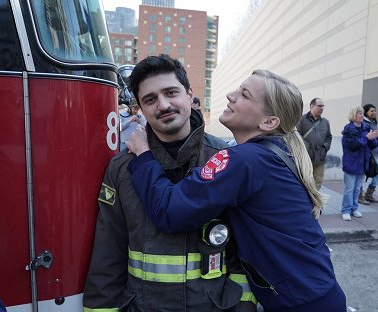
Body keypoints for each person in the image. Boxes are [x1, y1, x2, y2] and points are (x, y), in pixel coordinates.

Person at [127, 70, 346, 312]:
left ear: (269, 122)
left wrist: (144, 156)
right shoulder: (273, 153)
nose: (231, 96)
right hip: (316, 295)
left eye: (244, 94)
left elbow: (170, 210)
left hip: (300, 303)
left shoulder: (246, 160)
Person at [83, 55, 256, 311]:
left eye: (171, 92)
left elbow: (244, 251)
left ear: (189, 94)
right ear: (140, 109)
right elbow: (108, 254)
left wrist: (243, 306)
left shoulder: (225, 160)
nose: (163, 105)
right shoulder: (121, 169)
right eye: (150, 99)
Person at [340, 106, 378, 221]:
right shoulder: (348, 129)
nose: (362, 116)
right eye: (359, 114)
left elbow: (373, 144)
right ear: (353, 116)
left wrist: (373, 139)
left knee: (357, 189)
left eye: (362, 113)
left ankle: (354, 208)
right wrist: (367, 138)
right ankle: (346, 210)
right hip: (351, 163)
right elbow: (352, 145)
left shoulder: (366, 127)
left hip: (362, 163)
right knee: (349, 188)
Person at [297, 97, 332, 190]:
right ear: (312, 106)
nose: (322, 108)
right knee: (304, 181)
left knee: (318, 181)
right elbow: (296, 135)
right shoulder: (302, 119)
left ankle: (315, 203)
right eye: (319, 106)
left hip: (320, 157)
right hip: (306, 157)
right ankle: (304, 202)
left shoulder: (325, 122)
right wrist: (306, 146)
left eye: (322, 106)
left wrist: (325, 148)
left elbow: (329, 137)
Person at [361, 103, 378, 203]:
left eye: (375, 111)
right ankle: (359, 195)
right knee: (361, 176)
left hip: (374, 154)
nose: (374, 112)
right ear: (366, 112)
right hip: (365, 154)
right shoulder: (364, 123)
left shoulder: (374, 122)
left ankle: (369, 194)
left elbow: (376, 139)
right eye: (371, 111)